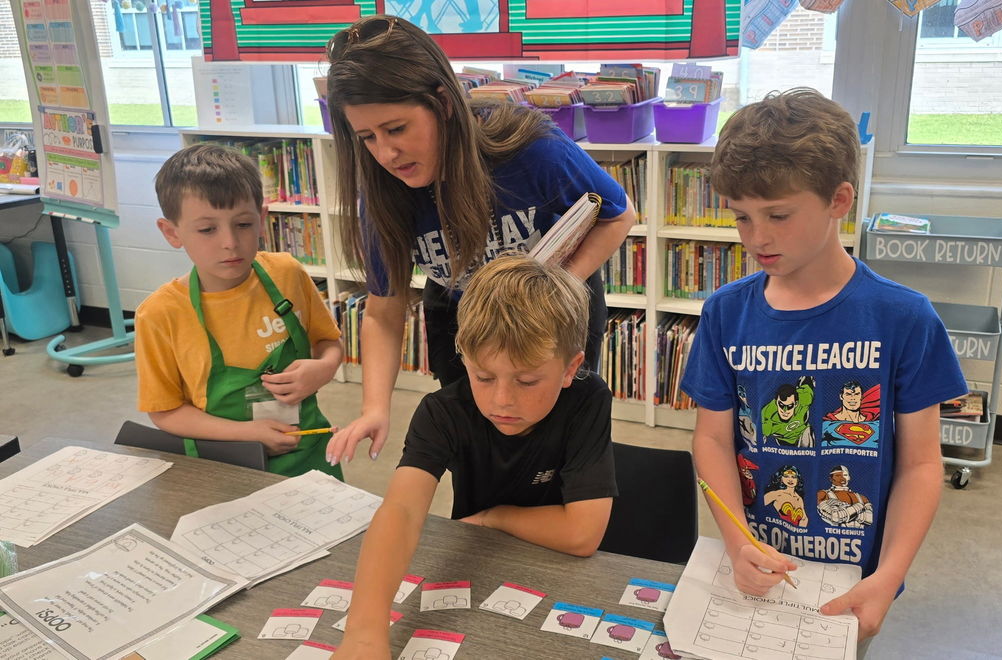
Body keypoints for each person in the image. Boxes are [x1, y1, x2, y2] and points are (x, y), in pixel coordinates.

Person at [680, 88, 967, 651]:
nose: (756, 238)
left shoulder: (904, 318)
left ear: (839, 199)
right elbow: (712, 441)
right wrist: (737, 541)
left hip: (856, 578)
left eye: (778, 215)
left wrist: (887, 577)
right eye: (741, 217)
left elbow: (921, 465)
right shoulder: (725, 313)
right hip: (757, 565)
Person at [321, 15, 636, 465]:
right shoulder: (383, 193)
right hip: (461, 315)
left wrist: (552, 287)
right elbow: (383, 311)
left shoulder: (530, 148)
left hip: (556, 307)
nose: (386, 154)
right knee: (478, 447)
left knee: (564, 442)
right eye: (367, 137)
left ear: (444, 103)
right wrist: (375, 408)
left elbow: (617, 215)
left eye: (396, 129)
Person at [331, 255, 616, 658]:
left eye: (527, 380)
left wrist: (493, 516)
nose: (502, 401)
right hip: (478, 569)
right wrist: (363, 633)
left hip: (560, 576)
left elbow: (582, 534)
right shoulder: (442, 411)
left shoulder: (588, 399)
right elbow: (402, 512)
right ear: (463, 357)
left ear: (571, 369)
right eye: (483, 376)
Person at [135, 143, 344, 478]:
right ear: (172, 232)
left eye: (243, 224)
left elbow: (328, 342)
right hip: (223, 468)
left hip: (308, 456)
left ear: (261, 219)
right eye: (207, 229)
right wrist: (248, 434)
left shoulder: (287, 274)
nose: (230, 242)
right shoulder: (160, 315)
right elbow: (166, 412)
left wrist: (324, 368)